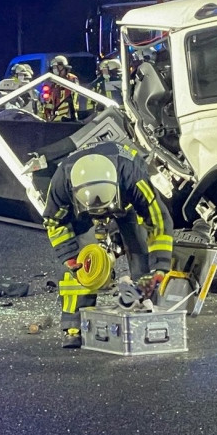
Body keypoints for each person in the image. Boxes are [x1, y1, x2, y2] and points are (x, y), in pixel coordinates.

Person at [42, 141, 174, 348]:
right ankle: (74, 326)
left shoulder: (133, 177)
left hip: (126, 204)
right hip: (82, 211)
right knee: (81, 264)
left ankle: (146, 315)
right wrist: (70, 258)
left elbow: (157, 218)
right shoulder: (62, 181)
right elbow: (53, 221)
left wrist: (161, 265)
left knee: (142, 253)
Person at [42, 55, 79, 121]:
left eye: (57, 67)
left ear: (64, 67)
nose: (55, 69)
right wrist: (47, 112)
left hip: (69, 118)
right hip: (56, 118)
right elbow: (50, 102)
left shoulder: (72, 79)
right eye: (53, 68)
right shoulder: (54, 84)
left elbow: (72, 98)